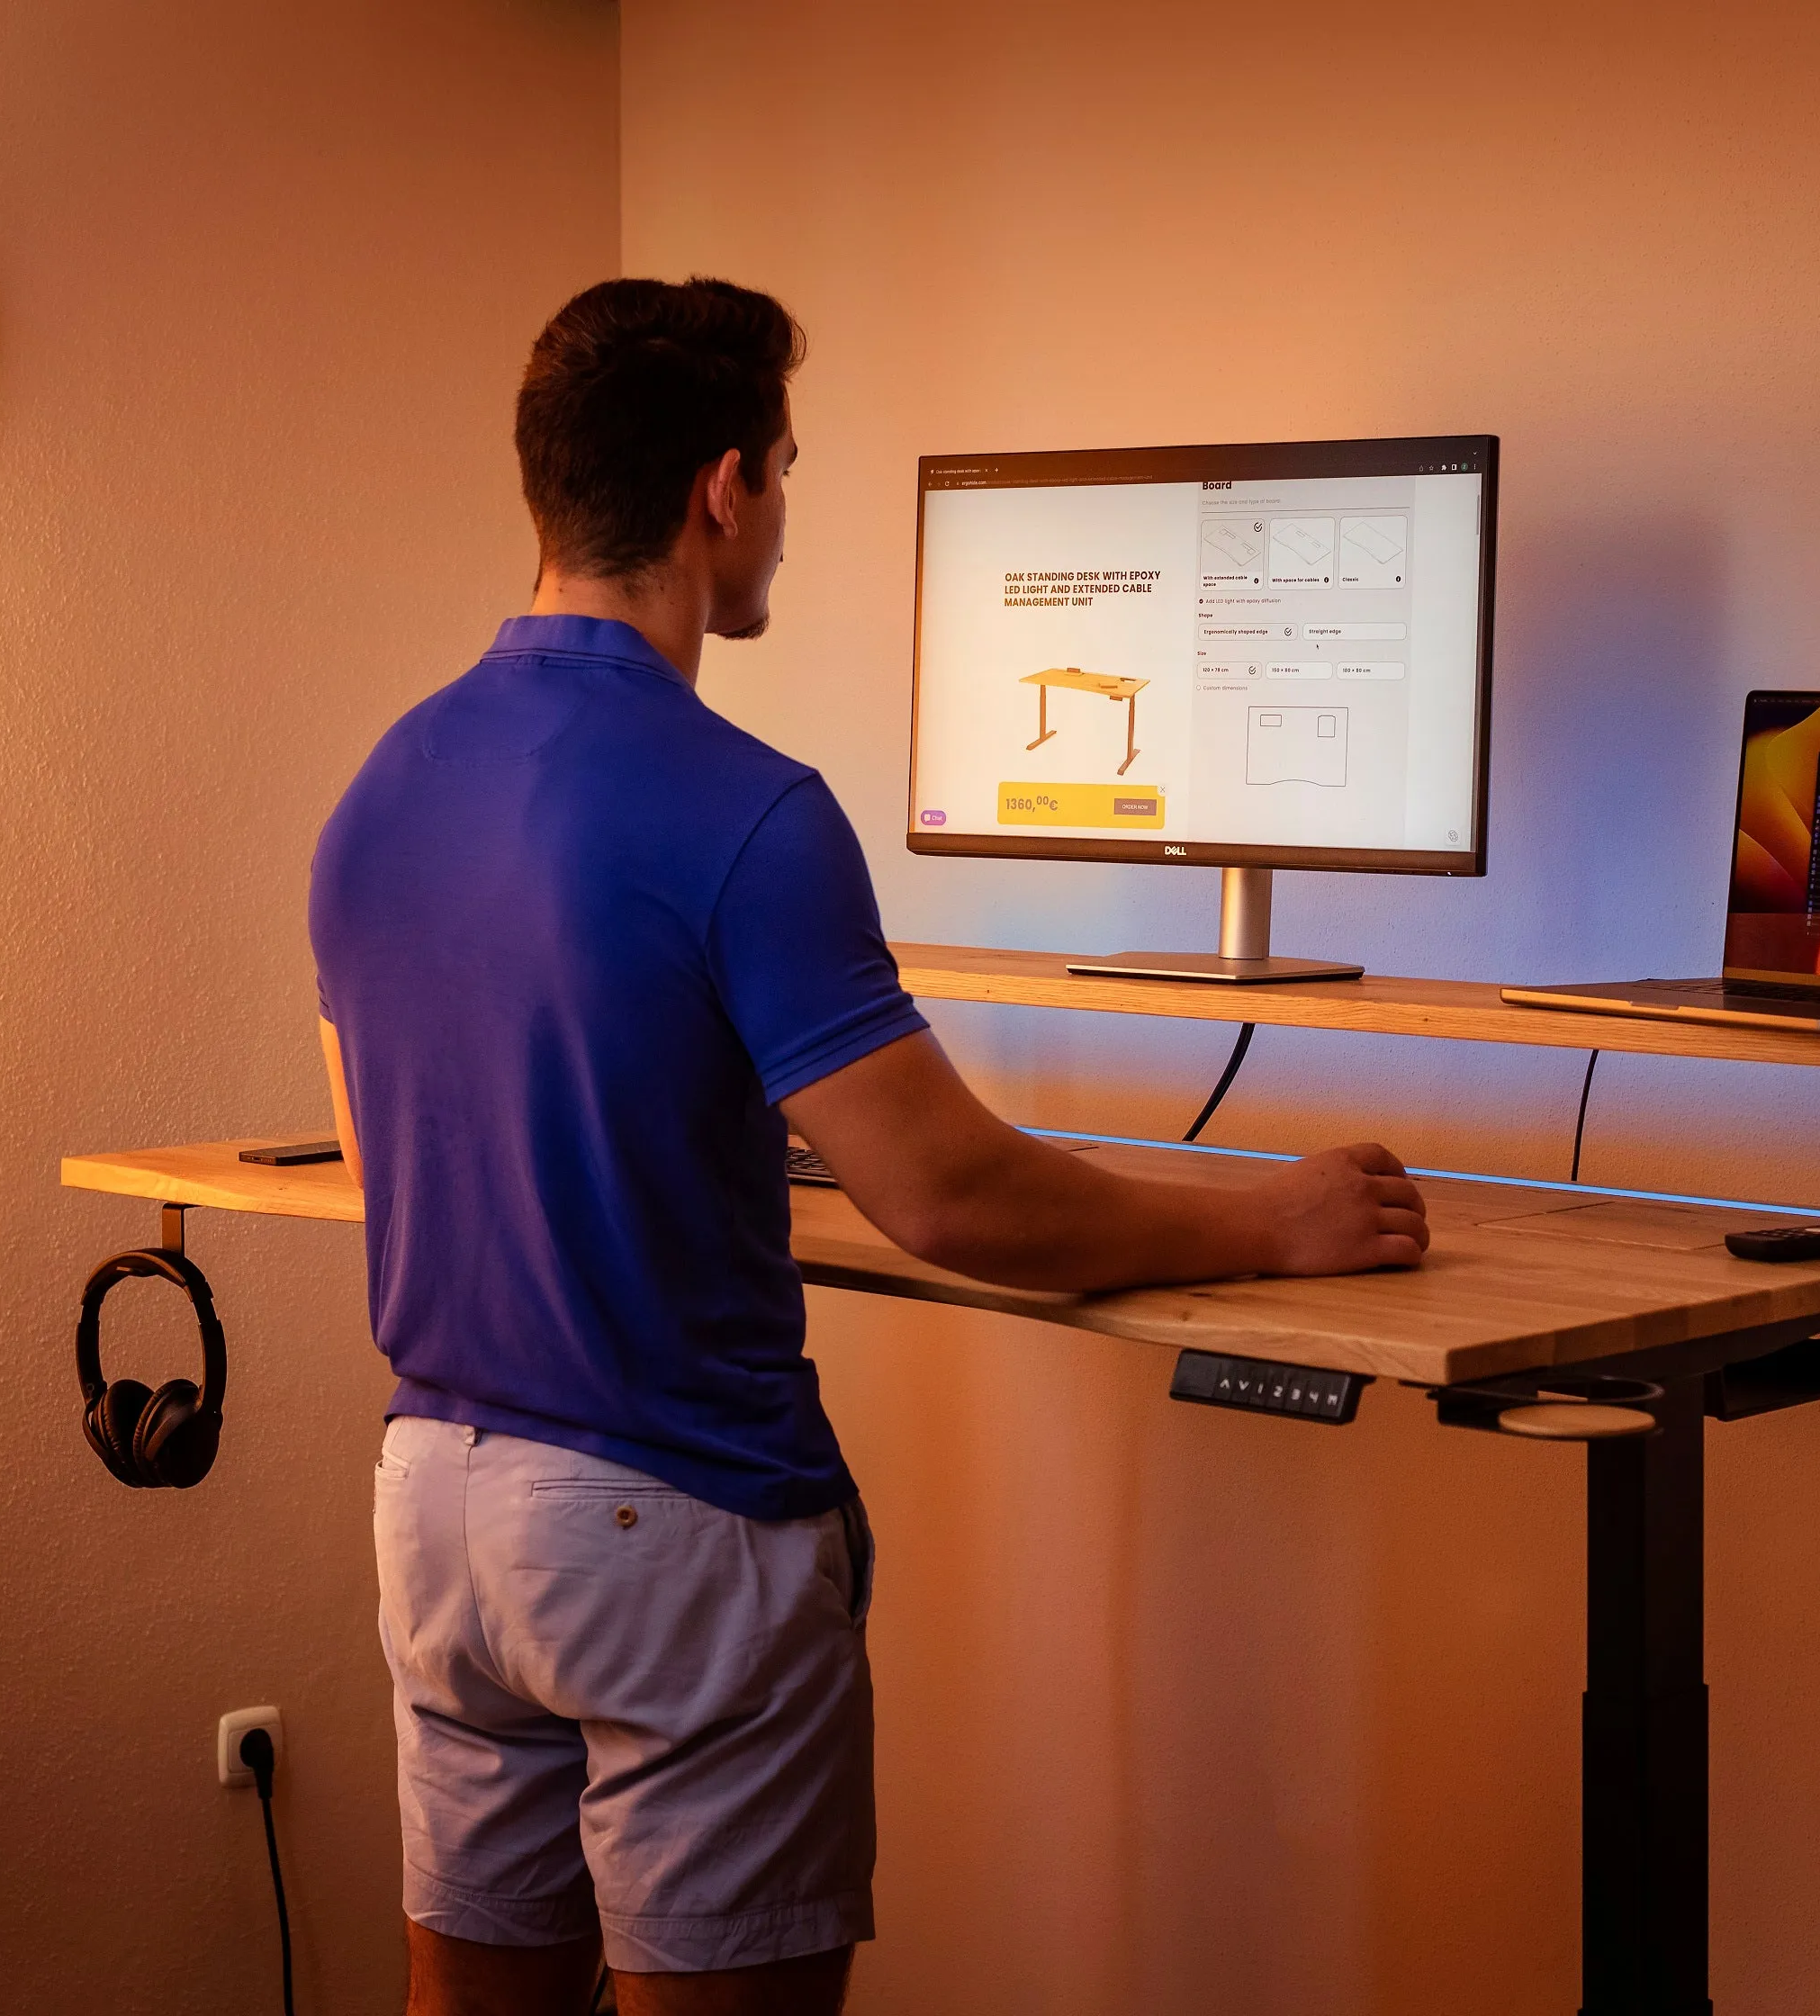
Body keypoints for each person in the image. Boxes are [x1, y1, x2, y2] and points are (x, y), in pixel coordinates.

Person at [308, 276, 1429, 2016]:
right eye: (791, 472)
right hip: (665, 1522)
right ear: (724, 489)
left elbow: (398, 1153)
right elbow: (948, 1196)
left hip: (436, 1508)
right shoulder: (746, 808)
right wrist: (1271, 1226)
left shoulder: (383, 782)